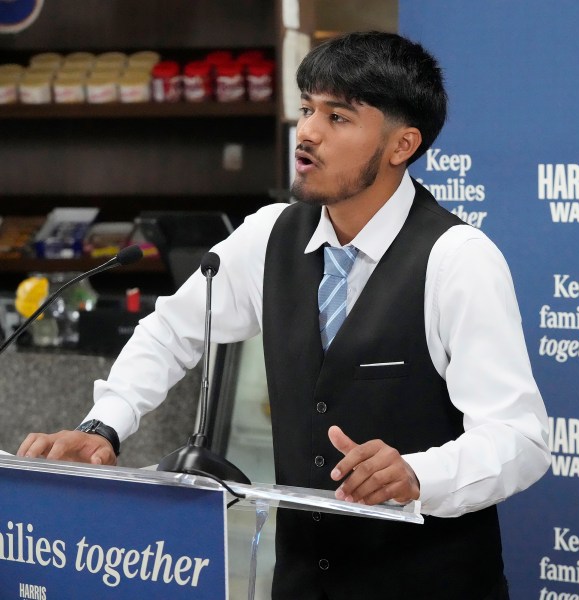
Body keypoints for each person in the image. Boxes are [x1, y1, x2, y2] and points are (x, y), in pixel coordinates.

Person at [18, 31, 550, 600]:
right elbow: (170, 330)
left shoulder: (457, 259)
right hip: (298, 582)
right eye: (306, 109)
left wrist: (421, 474)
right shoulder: (272, 233)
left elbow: (520, 438)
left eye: (339, 117)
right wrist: (104, 425)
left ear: (403, 145)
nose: (309, 133)